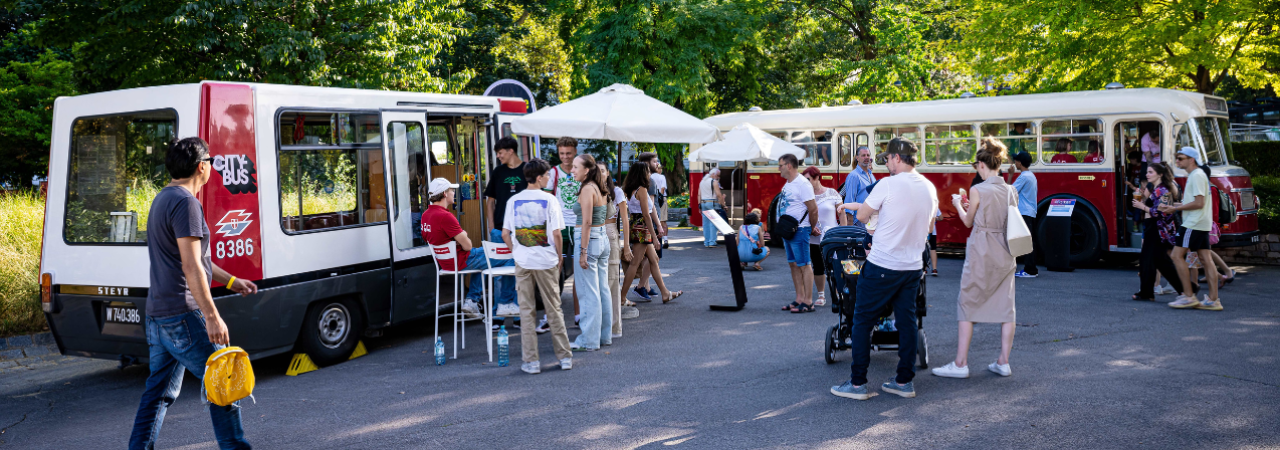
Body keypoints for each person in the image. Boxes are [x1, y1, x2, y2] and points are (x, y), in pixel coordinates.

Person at [130, 137, 256, 450]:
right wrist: (212, 317)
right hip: (183, 316)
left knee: (157, 395)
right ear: (202, 166)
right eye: (211, 161)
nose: (212, 166)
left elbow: (196, 261)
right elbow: (191, 266)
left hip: (158, 316)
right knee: (222, 384)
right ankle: (235, 446)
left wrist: (231, 281)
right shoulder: (186, 203)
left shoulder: (163, 198)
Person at [830, 137, 936, 401]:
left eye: (887, 158)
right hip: (912, 266)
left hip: (882, 264)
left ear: (897, 158)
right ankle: (904, 381)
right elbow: (930, 226)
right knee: (907, 321)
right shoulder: (929, 187)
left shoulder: (887, 185)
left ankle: (857, 384)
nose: (886, 163)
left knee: (862, 320)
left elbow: (863, 217)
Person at [931, 137, 1018, 379]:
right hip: (1005, 250)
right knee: (1006, 307)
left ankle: (960, 364)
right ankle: (1003, 361)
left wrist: (959, 204)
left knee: (967, 302)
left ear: (981, 165)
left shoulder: (977, 189)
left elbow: (968, 221)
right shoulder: (1011, 190)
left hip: (982, 249)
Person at [502, 159, 573, 374]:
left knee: (526, 311)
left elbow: (506, 233)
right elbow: (557, 234)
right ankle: (564, 357)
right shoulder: (549, 200)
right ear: (540, 177)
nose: (550, 178)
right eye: (547, 175)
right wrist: (559, 256)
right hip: (546, 260)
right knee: (554, 309)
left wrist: (516, 251)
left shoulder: (513, 200)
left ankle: (531, 362)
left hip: (523, 260)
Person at [421, 178, 518, 317]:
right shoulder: (446, 217)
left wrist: (457, 238)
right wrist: (462, 236)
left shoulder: (426, 216)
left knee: (483, 255)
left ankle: (472, 300)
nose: (454, 193)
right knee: (510, 254)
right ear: (444, 194)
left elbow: (429, 238)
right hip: (463, 261)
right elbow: (468, 246)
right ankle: (505, 303)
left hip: (445, 264)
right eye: (451, 190)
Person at [1161, 147, 1222, 310]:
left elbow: (1199, 203)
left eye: (1180, 158)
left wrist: (1175, 209)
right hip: (1201, 223)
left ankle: (1188, 296)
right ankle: (1213, 300)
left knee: (1175, 255)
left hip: (1193, 223)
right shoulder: (1198, 175)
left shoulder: (1196, 176)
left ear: (1191, 160)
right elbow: (1196, 203)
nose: (1178, 161)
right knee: (1206, 260)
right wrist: (1174, 206)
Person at [620, 161, 683, 303]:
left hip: (636, 225)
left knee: (654, 259)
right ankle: (622, 296)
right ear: (642, 173)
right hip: (642, 227)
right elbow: (646, 215)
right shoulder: (641, 189)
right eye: (647, 172)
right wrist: (654, 237)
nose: (650, 174)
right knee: (635, 263)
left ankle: (665, 293)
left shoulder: (629, 189)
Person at [570, 154, 613, 351]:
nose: (572, 170)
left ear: (586, 170)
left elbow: (587, 222)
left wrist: (583, 251)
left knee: (588, 292)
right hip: (602, 238)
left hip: (589, 240)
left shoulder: (588, 189)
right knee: (602, 290)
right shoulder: (600, 187)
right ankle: (603, 336)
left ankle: (589, 340)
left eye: (575, 167)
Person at [1131, 162, 1190, 301]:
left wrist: (1142, 206)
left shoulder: (1163, 190)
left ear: (1160, 174)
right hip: (1154, 228)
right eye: (1147, 172)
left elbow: (1162, 213)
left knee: (1147, 260)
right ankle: (1187, 288)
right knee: (1161, 262)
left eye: (1151, 172)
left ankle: (1147, 293)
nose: (1147, 174)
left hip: (1157, 229)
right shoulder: (1157, 189)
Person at [544, 138, 581, 324]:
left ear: (575, 152)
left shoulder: (581, 170)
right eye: (562, 154)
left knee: (579, 272)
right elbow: (547, 199)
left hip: (579, 227)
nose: (565, 157)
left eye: (568, 153)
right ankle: (549, 315)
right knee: (554, 270)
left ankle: (578, 314)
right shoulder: (554, 172)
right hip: (559, 228)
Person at [776, 153, 819, 313]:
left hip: (799, 229)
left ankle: (808, 302)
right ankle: (799, 298)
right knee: (793, 264)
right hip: (788, 230)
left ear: (788, 165)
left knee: (804, 264)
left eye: (780, 165)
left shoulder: (803, 184)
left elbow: (813, 209)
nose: (778, 169)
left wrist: (811, 227)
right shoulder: (788, 183)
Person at [805, 166, 841, 307]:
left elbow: (842, 212)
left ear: (817, 178)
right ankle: (821, 295)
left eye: (808, 179)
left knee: (837, 265)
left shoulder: (832, 192)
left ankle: (839, 293)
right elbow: (803, 216)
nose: (806, 183)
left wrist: (842, 231)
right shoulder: (806, 196)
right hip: (814, 238)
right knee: (818, 266)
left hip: (833, 237)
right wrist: (811, 228)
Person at [634, 153, 667, 299]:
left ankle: (646, 286)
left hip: (643, 224)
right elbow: (651, 206)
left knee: (649, 258)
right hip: (651, 224)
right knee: (653, 258)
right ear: (647, 163)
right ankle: (641, 286)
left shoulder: (638, 180)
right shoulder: (651, 181)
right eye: (654, 161)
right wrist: (657, 226)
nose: (657, 164)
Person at [606, 176, 635, 336]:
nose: (600, 174)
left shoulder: (616, 191)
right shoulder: (593, 188)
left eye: (603, 171)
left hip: (610, 236)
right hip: (595, 237)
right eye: (598, 171)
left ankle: (614, 325)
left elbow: (625, 219)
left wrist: (626, 246)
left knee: (612, 282)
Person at [1010, 151, 1039, 278]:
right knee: (1028, 240)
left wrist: (1010, 176)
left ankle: (1030, 270)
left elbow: (1010, 192)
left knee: (1025, 242)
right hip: (1030, 212)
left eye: (1016, 160)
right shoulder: (1031, 175)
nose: (1015, 162)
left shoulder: (1023, 177)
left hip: (1024, 212)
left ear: (1019, 163)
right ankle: (1030, 268)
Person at [841, 146, 875, 224]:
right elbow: (850, 200)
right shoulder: (854, 176)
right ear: (857, 158)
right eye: (863, 155)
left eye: (868, 155)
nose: (866, 157)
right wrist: (850, 224)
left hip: (870, 219)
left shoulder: (870, 174)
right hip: (859, 221)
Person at [699, 168, 725, 247]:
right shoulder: (714, 182)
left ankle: (706, 242)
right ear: (713, 174)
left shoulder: (702, 181)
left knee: (706, 224)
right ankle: (712, 242)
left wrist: (699, 205)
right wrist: (723, 204)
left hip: (703, 203)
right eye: (717, 175)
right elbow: (718, 194)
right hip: (712, 203)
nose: (718, 177)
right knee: (713, 223)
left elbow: (699, 194)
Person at [650, 159, 669, 248]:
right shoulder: (662, 177)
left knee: (654, 219)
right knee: (663, 220)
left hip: (652, 198)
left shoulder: (650, 177)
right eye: (660, 168)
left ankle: (655, 239)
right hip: (661, 199)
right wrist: (660, 197)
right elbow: (662, 188)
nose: (661, 170)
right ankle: (665, 239)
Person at [928, 208, 940, 276]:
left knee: (922, 249)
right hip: (932, 231)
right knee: (933, 249)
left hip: (922, 231)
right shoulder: (935, 205)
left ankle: (924, 269)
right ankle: (934, 269)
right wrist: (936, 218)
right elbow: (941, 217)